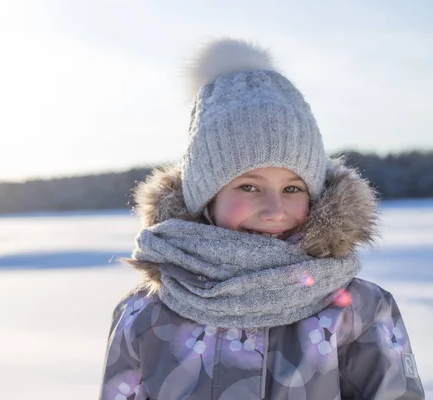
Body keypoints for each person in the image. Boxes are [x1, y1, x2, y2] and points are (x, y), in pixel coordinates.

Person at [99, 38, 425, 399]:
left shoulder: (360, 310)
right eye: (249, 187)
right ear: (206, 198)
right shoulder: (146, 313)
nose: (274, 210)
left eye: (292, 189)